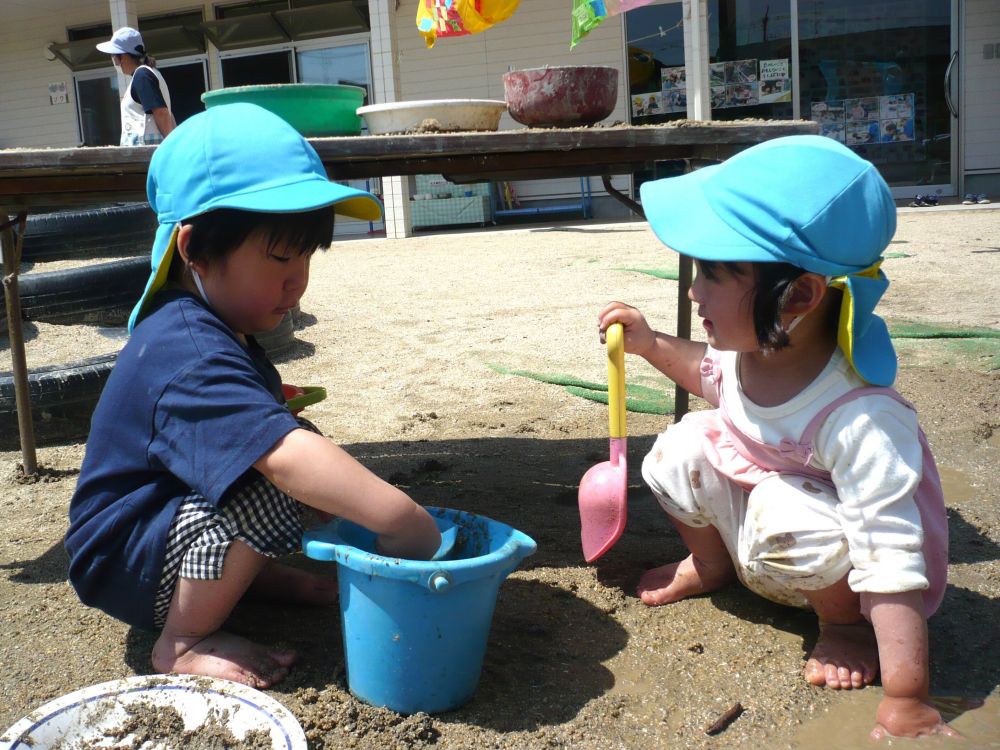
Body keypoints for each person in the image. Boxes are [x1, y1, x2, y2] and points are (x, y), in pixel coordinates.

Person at [65, 103, 441, 689]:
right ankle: (182, 642)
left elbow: (286, 437)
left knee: (304, 478)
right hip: (123, 561)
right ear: (194, 249)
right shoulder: (187, 349)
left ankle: (246, 582)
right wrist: (401, 518)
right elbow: (284, 457)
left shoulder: (212, 325)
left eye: (307, 256)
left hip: (157, 535)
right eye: (279, 256)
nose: (298, 281)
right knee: (274, 480)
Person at [597, 135, 956, 740]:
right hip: (769, 543)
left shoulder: (859, 417)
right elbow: (705, 374)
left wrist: (908, 695)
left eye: (712, 273)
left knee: (784, 505)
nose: (694, 291)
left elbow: (891, 554)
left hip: (835, 564)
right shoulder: (748, 353)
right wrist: (652, 344)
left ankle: (842, 625)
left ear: (798, 295)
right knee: (678, 447)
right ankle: (711, 565)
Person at [96, 26, 176, 145]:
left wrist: (171, 146)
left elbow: (161, 112)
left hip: (147, 154)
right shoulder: (148, 73)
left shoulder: (142, 75)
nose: (115, 62)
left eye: (114, 57)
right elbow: (168, 114)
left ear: (122, 57)